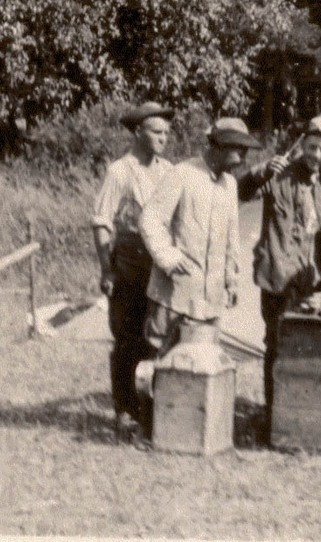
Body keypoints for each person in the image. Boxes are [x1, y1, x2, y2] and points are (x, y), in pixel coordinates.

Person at [253, 116, 321, 437]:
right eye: (311, 148)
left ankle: (304, 420)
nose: (316, 156)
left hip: (315, 281)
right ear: (302, 146)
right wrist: (261, 170)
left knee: (313, 350)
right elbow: (241, 190)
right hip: (279, 278)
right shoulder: (279, 174)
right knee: (277, 347)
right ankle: (273, 420)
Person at [139, 118, 260, 358]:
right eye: (239, 149)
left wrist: (231, 280)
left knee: (202, 360)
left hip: (210, 299)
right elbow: (150, 219)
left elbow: (231, 238)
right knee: (162, 357)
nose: (244, 157)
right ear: (220, 146)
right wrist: (168, 256)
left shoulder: (230, 184)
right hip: (175, 294)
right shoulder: (182, 174)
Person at [90, 101, 174, 441]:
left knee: (158, 337)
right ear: (138, 132)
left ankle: (152, 408)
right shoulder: (120, 171)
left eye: (167, 133)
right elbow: (101, 222)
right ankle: (125, 409)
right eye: (156, 132)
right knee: (127, 338)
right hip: (129, 260)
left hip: (161, 261)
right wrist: (106, 270)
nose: (163, 138)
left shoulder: (169, 171)